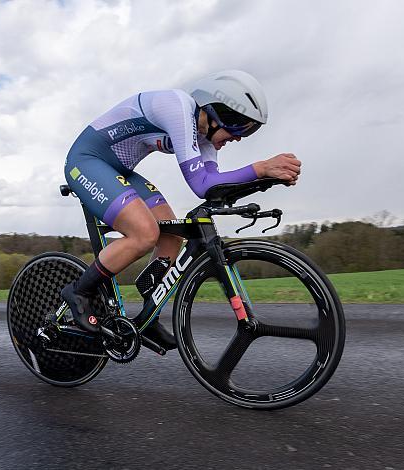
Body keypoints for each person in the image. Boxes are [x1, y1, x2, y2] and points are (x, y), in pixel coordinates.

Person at [61, 70, 301, 350]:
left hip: (117, 169)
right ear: (215, 111)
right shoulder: (177, 107)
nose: (239, 137)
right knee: (144, 233)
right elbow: (201, 184)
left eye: (248, 130)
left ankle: (148, 315)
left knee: (171, 230)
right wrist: (259, 168)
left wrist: (265, 181)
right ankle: (78, 292)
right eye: (239, 127)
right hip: (87, 161)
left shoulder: (205, 138)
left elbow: (214, 188)